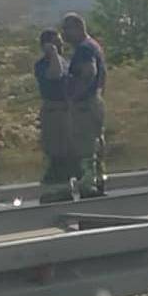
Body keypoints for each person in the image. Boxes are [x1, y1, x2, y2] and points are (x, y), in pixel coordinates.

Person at [62, 13, 107, 198]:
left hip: (85, 104)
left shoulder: (84, 49)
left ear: (78, 28)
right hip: (95, 100)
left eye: (67, 30)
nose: (64, 35)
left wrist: (75, 95)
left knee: (86, 144)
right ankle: (98, 179)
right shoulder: (93, 46)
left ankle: (89, 184)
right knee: (96, 143)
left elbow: (89, 72)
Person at [33, 29, 76, 202]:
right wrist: (52, 54)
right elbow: (55, 74)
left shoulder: (64, 61)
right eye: (56, 42)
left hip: (67, 111)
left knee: (68, 151)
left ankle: (65, 188)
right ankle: (52, 190)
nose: (61, 45)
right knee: (56, 150)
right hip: (53, 112)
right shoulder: (42, 65)